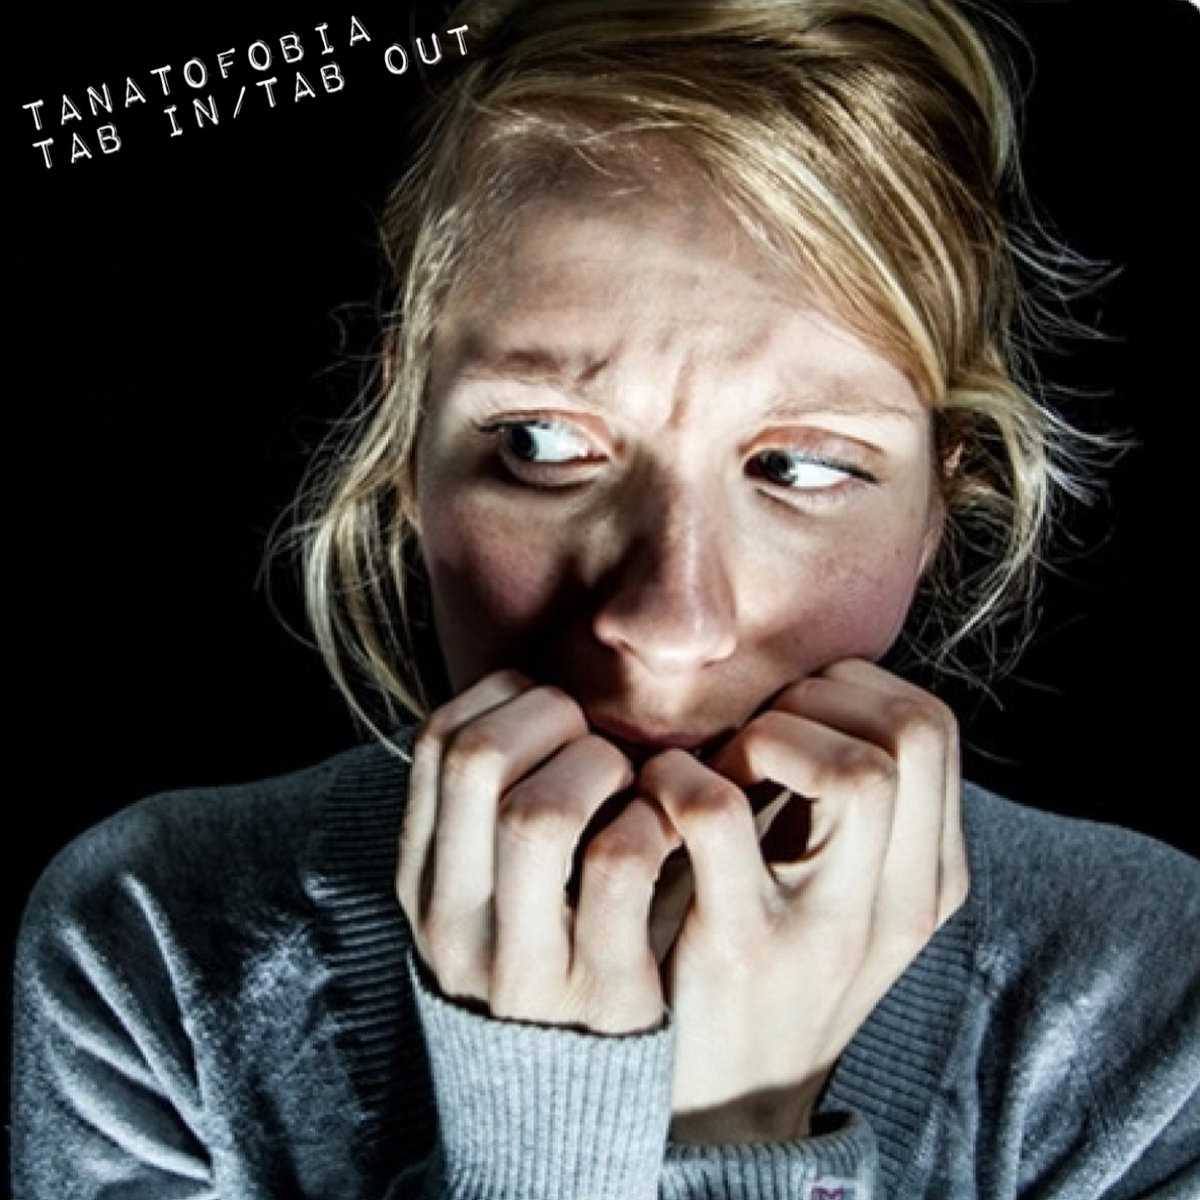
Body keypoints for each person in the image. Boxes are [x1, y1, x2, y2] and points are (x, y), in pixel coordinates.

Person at [11, 1, 1199, 1197]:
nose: (668, 624)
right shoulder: (158, 951)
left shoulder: (1157, 1002)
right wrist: (547, 1140)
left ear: (941, 498)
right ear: (407, 441)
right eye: (540, 442)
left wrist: (735, 1129)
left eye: (802, 466)